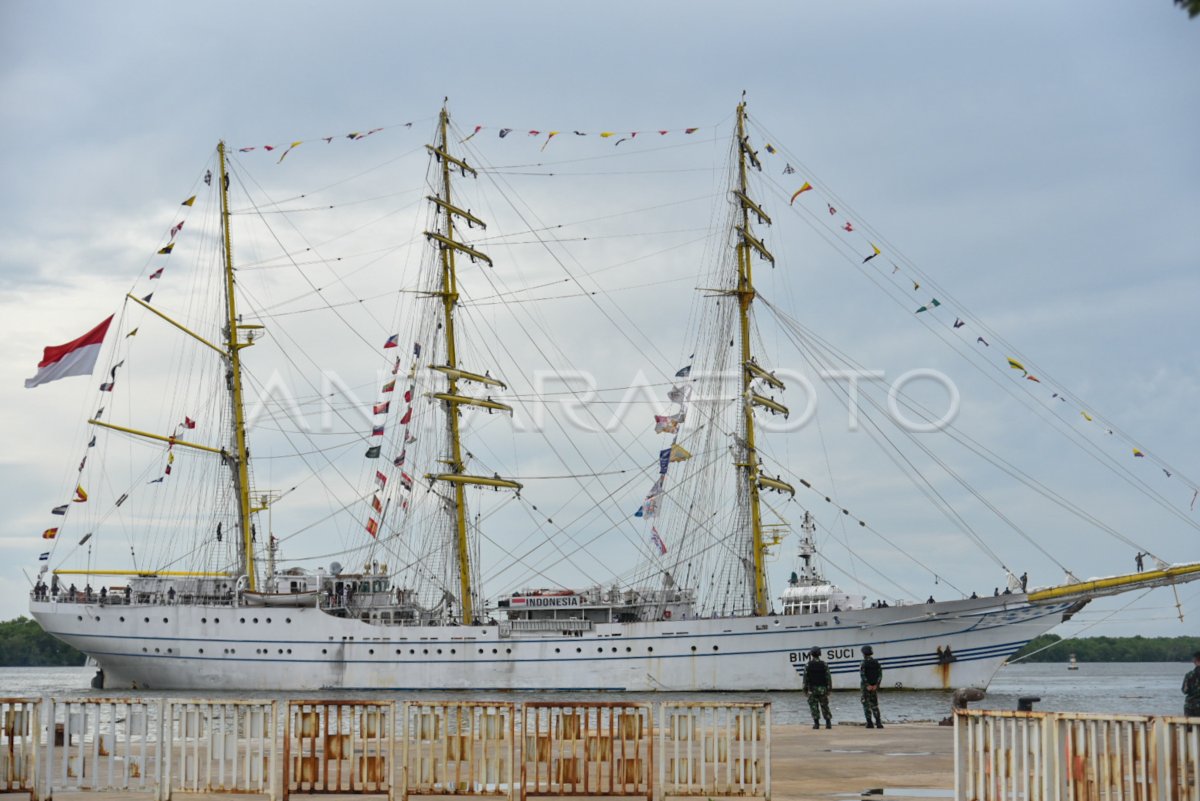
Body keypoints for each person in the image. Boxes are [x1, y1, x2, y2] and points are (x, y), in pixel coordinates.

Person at [803, 646, 833, 730]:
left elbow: (805, 679)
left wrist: (805, 690)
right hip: (822, 689)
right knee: (825, 706)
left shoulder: (808, 665)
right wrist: (829, 689)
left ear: (811, 654)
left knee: (813, 706)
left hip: (812, 689)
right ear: (819, 654)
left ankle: (816, 724)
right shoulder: (824, 664)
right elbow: (828, 677)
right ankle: (828, 723)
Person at [860, 645, 884, 729]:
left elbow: (862, 675)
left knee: (866, 704)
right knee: (874, 704)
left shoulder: (863, 663)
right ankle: (878, 722)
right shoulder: (876, 662)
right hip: (874, 686)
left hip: (866, 687)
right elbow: (880, 675)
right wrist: (876, 685)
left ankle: (869, 723)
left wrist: (867, 685)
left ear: (864, 653)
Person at [1183, 651, 1200, 717]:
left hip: (1191, 706)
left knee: (1190, 726)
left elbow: (1185, 691)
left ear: (1195, 660)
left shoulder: (1189, 675)